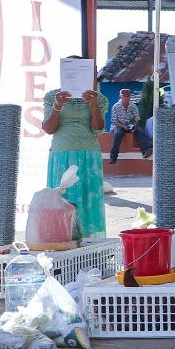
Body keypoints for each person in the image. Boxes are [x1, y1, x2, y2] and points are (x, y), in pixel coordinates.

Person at [41, 72, 108, 239]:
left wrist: (93, 105)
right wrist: (57, 105)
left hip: (89, 154)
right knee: (64, 198)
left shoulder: (98, 98)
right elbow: (49, 129)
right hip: (62, 153)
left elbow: (98, 128)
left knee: (89, 199)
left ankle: (91, 241)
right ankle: (62, 239)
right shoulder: (53, 96)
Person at [107, 87, 151, 162]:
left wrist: (135, 126)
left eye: (128, 96)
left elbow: (137, 118)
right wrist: (123, 126)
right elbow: (115, 121)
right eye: (124, 96)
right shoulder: (116, 106)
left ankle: (147, 150)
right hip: (118, 125)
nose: (126, 98)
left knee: (139, 131)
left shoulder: (132, 105)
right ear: (120, 96)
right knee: (118, 134)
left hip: (128, 125)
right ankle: (113, 157)